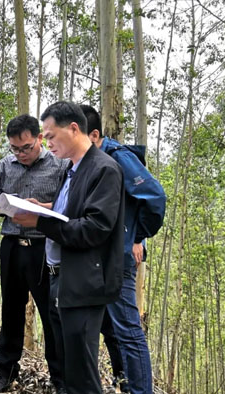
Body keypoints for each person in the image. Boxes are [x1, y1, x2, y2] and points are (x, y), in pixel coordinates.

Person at [13, 101, 125, 394]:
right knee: (67, 368)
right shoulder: (72, 169)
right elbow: (70, 211)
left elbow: (93, 229)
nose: (46, 143)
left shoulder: (104, 169)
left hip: (84, 284)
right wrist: (43, 208)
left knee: (82, 373)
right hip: (59, 280)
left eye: (50, 136)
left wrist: (39, 221)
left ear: (74, 129)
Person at [81, 104, 166, 394]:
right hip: (95, 257)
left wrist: (137, 237)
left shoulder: (119, 158)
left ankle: (141, 390)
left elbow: (154, 196)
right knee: (108, 327)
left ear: (94, 135)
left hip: (119, 257)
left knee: (128, 329)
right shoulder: (86, 162)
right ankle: (124, 383)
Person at [0, 114, 68, 394]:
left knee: (51, 314)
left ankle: (60, 378)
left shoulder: (60, 165)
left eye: (26, 148)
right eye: (15, 149)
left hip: (44, 248)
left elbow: (67, 205)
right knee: (10, 311)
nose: (20, 154)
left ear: (39, 139)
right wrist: (2, 205)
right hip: (11, 245)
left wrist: (40, 206)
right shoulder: (4, 166)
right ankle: (5, 372)